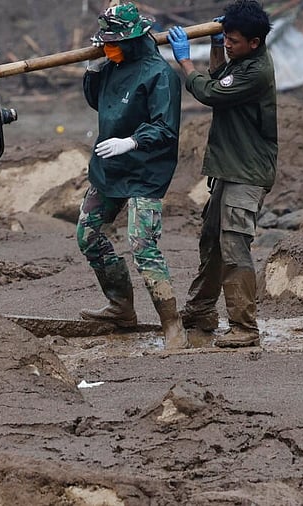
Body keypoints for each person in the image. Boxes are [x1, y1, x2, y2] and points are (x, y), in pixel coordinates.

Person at [167, 0, 276, 348]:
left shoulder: (255, 71)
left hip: (248, 172)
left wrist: (184, 61)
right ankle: (201, 312)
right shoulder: (241, 62)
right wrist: (216, 45)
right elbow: (218, 76)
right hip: (229, 168)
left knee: (234, 245)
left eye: (233, 40)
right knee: (212, 240)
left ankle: (245, 327)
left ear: (254, 43)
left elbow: (210, 92)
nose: (228, 44)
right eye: (226, 38)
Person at [77, 3, 187, 350]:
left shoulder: (160, 75)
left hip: (145, 170)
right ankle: (121, 307)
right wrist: (92, 72)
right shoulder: (112, 65)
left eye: (113, 44)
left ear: (133, 40)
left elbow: (166, 128)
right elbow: (100, 102)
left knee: (142, 245)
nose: (108, 49)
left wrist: (132, 141)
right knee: (89, 234)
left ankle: (172, 323)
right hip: (109, 167)